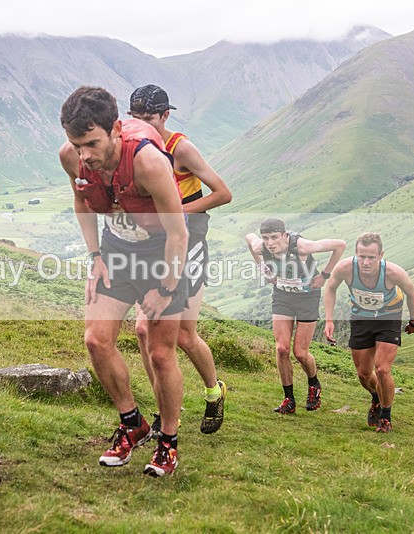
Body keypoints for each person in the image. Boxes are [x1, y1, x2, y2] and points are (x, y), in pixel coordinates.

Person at [59, 86, 188, 477]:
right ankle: (132, 423)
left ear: (116, 128)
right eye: (76, 144)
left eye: (92, 144)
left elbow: (178, 233)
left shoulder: (148, 162)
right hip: (116, 252)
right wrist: (95, 257)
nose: (85, 155)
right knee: (96, 340)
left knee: (161, 352)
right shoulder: (72, 158)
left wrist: (165, 287)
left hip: (162, 253)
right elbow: (82, 201)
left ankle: (168, 441)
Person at [128, 84, 232, 435]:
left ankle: (214, 392)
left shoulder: (179, 148)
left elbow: (223, 193)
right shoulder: (134, 147)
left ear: (165, 115)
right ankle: (164, 411)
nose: (142, 124)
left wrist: (174, 213)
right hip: (153, 246)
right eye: (136, 118)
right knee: (143, 329)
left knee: (186, 335)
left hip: (189, 242)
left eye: (150, 118)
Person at [245, 218, 345, 414]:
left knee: (300, 352)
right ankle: (289, 399)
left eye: (274, 237)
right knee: (282, 349)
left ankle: (314, 384)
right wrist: (263, 268)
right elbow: (249, 238)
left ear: (285, 235)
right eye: (266, 238)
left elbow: (340, 245)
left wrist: (324, 275)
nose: (270, 243)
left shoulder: (302, 246)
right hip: (282, 295)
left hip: (307, 297)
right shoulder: (261, 247)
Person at [323, 232, 414, 433]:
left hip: (388, 317)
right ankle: (376, 398)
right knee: (364, 374)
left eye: (371, 257)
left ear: (381, 255)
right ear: (356, 254)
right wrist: (329, 319)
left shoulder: (394, 273)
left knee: (383, 369)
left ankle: (385, 416)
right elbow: (330, 288)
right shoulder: (345, 268)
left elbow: (411, 293)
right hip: (361, 318)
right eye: (362, 256)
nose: (366, 262)